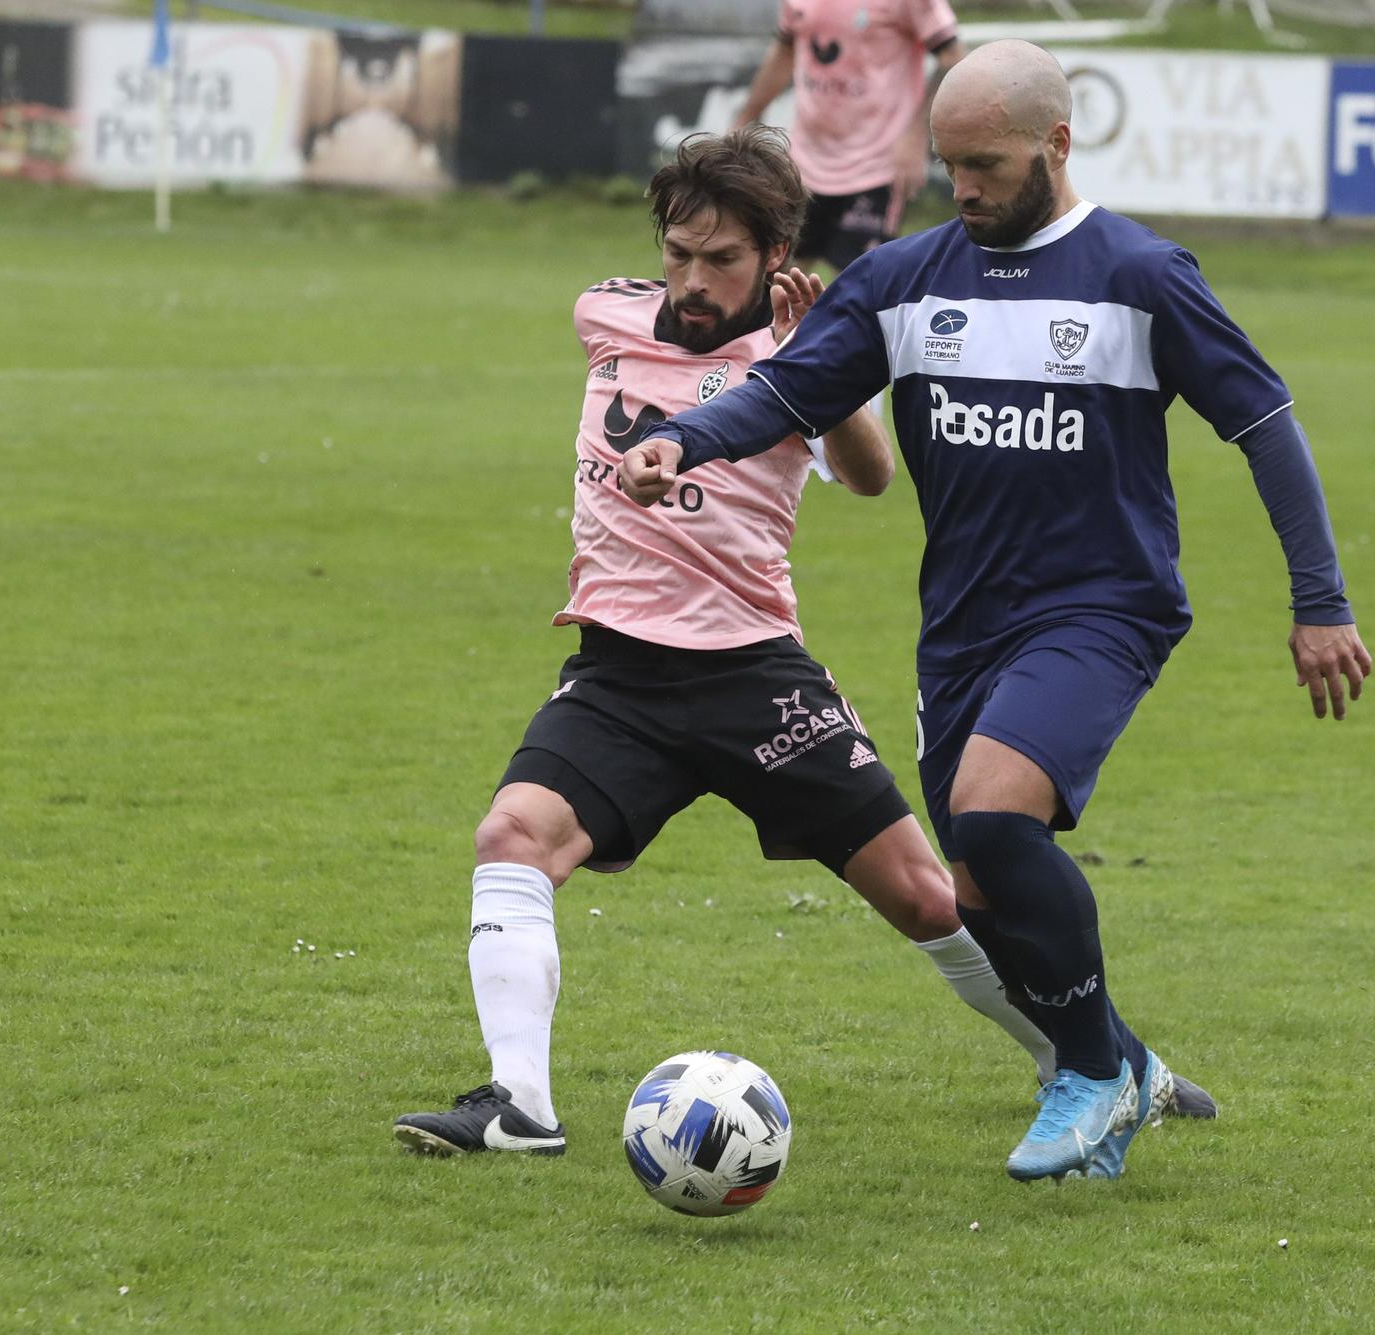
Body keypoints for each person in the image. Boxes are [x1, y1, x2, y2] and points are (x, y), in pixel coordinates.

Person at [617, 43, 1370, 1182]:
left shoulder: (1142, 276)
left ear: (1054, 148)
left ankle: (1087, 1077)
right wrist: (686, 438)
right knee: (979, 891)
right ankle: (1122, 1057)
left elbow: (1265, 427)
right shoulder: (903, 278)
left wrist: (1319, 602)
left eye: (984, 164)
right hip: (962, 627)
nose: (960, 188)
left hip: (1101, 608)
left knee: (993, 818)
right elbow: (787, 390)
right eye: (945, 165)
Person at [392, 126, 1208, 1158]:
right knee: (512, 837)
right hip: (616, 676)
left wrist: (819, 363)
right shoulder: (603, 313)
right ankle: (518, 1107)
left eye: (721, 260)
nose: (692, 280)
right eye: (679, 254)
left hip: (754, 678)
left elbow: (867, 475)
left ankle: (1095, 1061)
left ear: (774, 257)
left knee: (926, 895)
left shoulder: (801, 353)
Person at [733, 0, 966, 271]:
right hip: (804, 164)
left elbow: (953, 58)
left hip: (875, 165)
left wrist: (916, 137)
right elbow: (787, 49)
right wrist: (747, 116)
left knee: (860, 289)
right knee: (776, 280)